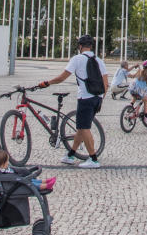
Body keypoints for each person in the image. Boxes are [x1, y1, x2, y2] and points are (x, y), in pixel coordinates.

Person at [37, 35, 108, 169]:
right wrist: (100, 99)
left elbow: (62, 77)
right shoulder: (99, 60)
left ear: (80, 46)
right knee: (81, 128)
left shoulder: (77, 59)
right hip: (97, 98)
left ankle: (93, 159)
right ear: (91, 46)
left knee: (85, 128)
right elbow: (106, 83)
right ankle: (71, 154)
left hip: (85, 98)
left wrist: (47, 83)